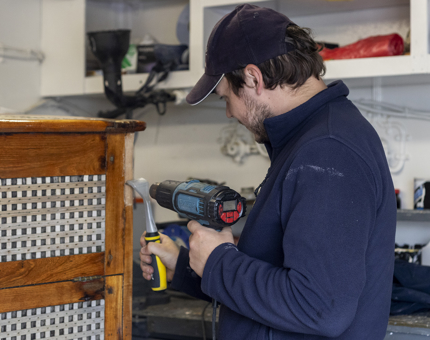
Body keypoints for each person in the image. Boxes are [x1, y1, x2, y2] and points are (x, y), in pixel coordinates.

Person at [140, 4, 397, 339]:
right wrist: (191, 267)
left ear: (253, 77)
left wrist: (219, 261)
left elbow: (320, 308)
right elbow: (278, 286)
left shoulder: (328, 152)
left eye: (225, 98)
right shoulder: (311, 140)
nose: (230, 113)